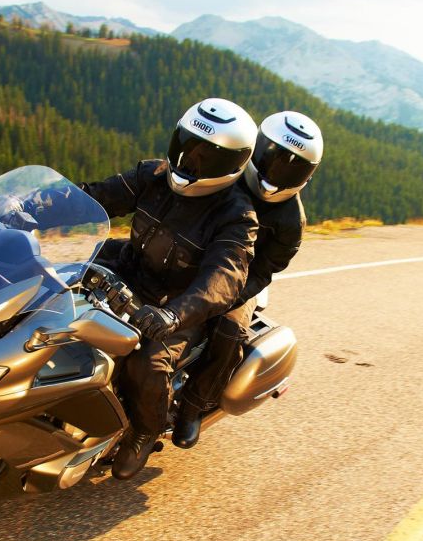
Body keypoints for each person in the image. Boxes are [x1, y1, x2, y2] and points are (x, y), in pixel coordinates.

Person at [78, 98, 260, 479]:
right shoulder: (153, 175)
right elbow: (93, 197)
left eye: (204, 157)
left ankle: (144, 432)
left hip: (178, 302)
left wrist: (174, 314)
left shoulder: (237, 216)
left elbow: (223, 279)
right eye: (186, 145)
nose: (188, 161)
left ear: (232, 164)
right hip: (129, 270)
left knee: (147, 364)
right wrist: (37, 208)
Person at [174, 110, 324, 448]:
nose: (277, 171)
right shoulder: (227, 175)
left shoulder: (290, 222)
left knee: (229, 330)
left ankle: (192, 408)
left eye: (292, 167)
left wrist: (225, 295)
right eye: (272, 158)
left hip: (241, 283)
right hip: (195, 257)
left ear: (307, 174)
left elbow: (263, 272)